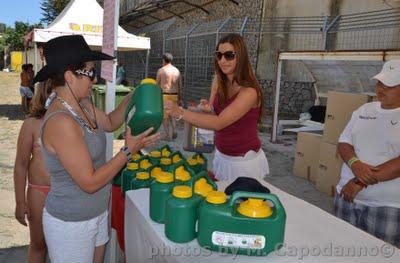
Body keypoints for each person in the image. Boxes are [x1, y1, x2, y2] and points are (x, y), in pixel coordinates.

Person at [33, 35, 160, 262]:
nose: (94, 80)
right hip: (71, 224)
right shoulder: (61, 122)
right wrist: (128, 151)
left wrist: (134, 96)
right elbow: (89, 182)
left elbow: (111, 122)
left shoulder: (84, 104)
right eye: (91, 72)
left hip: (97, 211)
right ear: (70, 77)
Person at [166, 33, 269, 181]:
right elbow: (215, 117)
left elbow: (220, 123)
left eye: (229, 55)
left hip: (244, 163)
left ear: (241, 57)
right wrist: (209, 110)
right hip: (221, 157)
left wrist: (180, 112)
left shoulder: (250, 92)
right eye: (219, 55)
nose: (222, 60)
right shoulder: (218, 81)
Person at [334, 60, 400, 247]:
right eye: (380, 83)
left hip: (386, 206)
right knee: (338, 250)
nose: (382, 89)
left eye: (390, 85)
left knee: (380, 255)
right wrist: (355, 163)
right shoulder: (364, 110)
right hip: (346, 198)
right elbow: (344, 142)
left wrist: (359, 181)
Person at [14, 80, 52, 262]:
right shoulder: (31, 124)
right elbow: (21, 165)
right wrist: (20, 201)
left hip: (67, 193)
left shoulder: (74, 122)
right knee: (39, 245)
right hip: (39, 193)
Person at [156, 52, 182, 140]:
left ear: (163, 60)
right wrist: (180, 98)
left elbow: (157, 85)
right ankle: (174, 130)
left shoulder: (161, 70)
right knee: (173, 114)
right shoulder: (177, 70)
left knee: (165, 117)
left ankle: (168, 136)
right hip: (175, 95)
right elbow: (180, 86)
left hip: (165, 95)